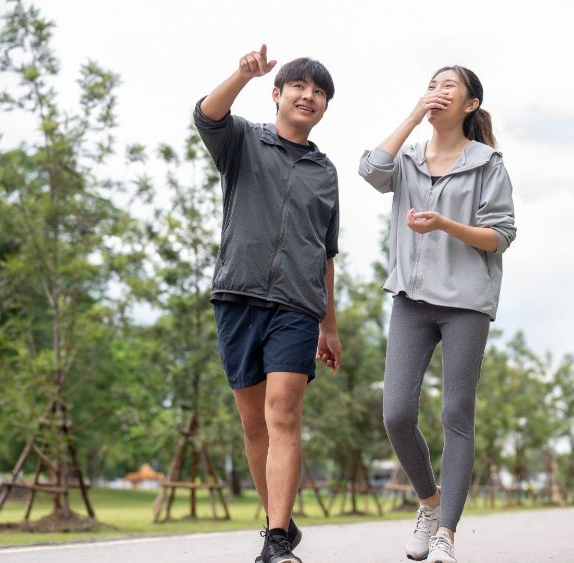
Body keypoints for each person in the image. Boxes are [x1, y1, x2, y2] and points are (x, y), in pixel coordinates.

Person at [358, 65, 516, 563]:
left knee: (455, 415)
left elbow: (501, 236)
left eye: (449, 86)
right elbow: (369, 169)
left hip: (466, 302)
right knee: (397, 414)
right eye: (433, 84)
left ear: (470, 104)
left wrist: (447, 224)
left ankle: (446, 533)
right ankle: (429, 502)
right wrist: (412, 114)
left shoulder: (488, 164)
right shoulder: (406, 158)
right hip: (410, 298)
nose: (438, 91)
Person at [194, 44, 342, 563]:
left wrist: (330, 324)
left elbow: (325, 252)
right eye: (300, 86)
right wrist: (241, 73)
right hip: (237, 294)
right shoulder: (242, 141)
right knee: (254, 422)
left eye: (319, 92)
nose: (309, 95)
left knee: (283, 413)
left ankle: (276, 540)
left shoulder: (326, 173)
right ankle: (278, 524)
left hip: (298, 306)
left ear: (324, 107)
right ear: (277, 95)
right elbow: (206, 114)